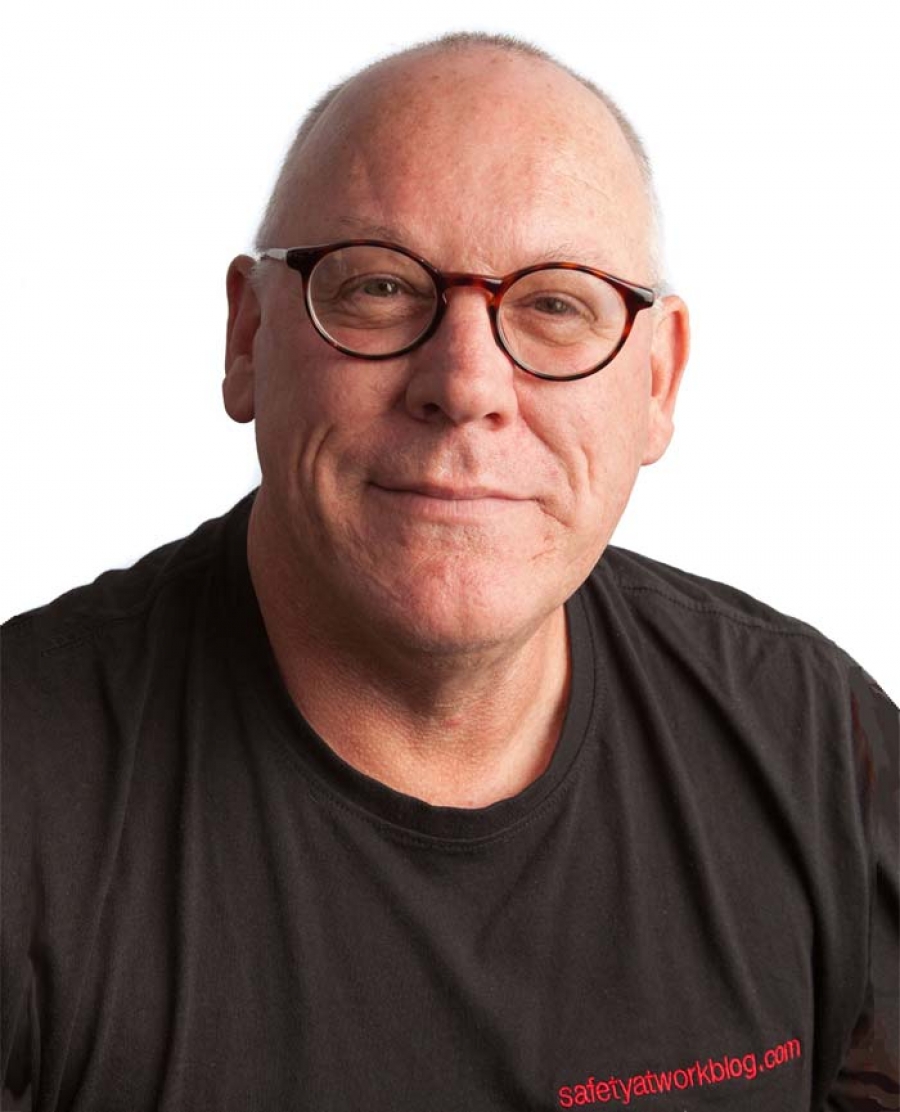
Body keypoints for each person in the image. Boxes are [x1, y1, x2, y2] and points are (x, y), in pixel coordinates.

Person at [1, 31, 896, 1112]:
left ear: (659, 382)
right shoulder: (24, 791)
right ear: (246, 338)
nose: (466, 384)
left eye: (556, 304)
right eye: (379, 287)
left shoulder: (816, 743)